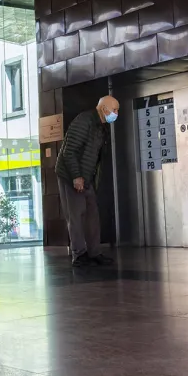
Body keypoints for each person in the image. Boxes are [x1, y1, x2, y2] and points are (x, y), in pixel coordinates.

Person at [56, 95, 118, 267]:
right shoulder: (84, 121)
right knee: (76, 215)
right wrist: (76, 176)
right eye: (114, 110)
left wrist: (88, 178)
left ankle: (94, 252)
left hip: (87, 176)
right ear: (104, 109)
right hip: (70, 175)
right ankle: (79, 254)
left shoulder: (101, 126)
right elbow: (69, 152)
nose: (116, 113)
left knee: (92, 215)